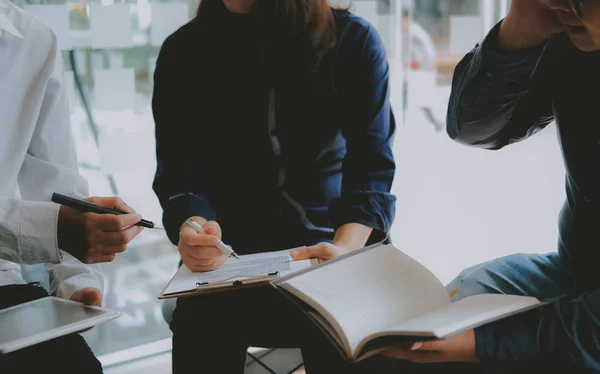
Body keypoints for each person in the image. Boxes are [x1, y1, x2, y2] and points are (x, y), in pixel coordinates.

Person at [152, 0, 397, 372]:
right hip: (232, 259)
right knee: (200, 329)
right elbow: (181, 174)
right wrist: (194, 228)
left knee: (343, 324)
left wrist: (343, 250)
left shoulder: (352, 40)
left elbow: (371, 168)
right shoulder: (183, 51)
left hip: (337, 247)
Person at [384, 0, 600, 372]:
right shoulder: (573, 44)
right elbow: (473, 128)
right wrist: (519, 33)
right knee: (416, 330)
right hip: (574, 269)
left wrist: (487, 343)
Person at [0, 0, 144, 372]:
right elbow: (55, 221)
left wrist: (76, 283)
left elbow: (56, 185)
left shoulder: (33, 41)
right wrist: (53, 230)